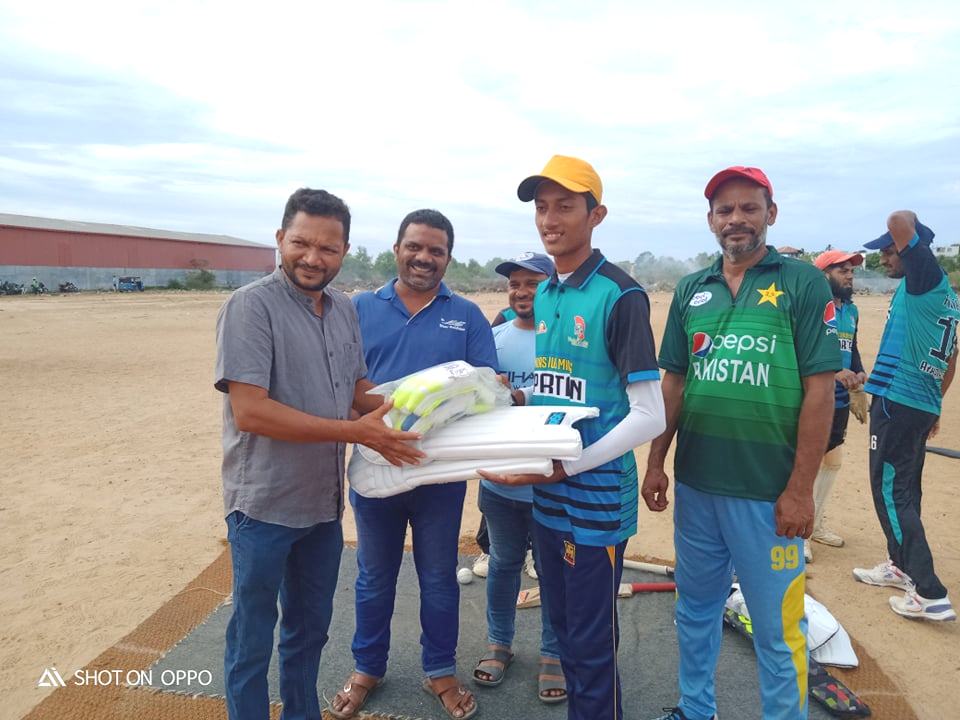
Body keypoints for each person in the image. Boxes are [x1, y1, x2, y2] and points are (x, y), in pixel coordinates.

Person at [214, 188, 423, 720]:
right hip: (264, 506)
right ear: (280, 238)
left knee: (309, 634)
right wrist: (357, 433)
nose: (313, 257)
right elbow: (251, 412)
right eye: (301, 243)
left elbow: (357, 390)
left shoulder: (343, 309)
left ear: (344, 251)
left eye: (328, 248)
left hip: (322, 507)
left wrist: (429, 406)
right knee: (252, 639)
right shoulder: (250, 307)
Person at [642, 166, 840, 720]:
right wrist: (656, 462)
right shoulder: (691, 289)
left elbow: (820, 391)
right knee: (695, 611)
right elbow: (674, 383)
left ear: (770, 214)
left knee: (778, 628)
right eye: (725, 210)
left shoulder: (803, 283)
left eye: (749, 208)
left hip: (768, 493)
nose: (736, 219)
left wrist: (800, 490)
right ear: (710, 220)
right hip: (698, 485)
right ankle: (694, 709)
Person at [479, 155, 666, 720]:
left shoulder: (621, 295)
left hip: (596, 500)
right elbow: (557, 388)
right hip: (549, 491)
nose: (549, 219)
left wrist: (568, 465)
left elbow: (650, 415)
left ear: (596, 215)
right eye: (542, 207)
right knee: (561, 629)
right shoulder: (548, 293)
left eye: (565, 206)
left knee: (588, 642)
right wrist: (514, 406)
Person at [330, 209, 497, 720]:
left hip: (439, 474)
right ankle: (367, 667)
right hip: (375, 464)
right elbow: (341, 381)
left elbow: (484, 388)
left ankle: (440, 670)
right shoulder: (358, 308)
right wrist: (376, 431)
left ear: (449, 257)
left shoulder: (466, 315)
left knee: (439, 577)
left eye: (436, 250)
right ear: (397, 248)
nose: (424, 258)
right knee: (373, 575)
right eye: (415, 247)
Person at [853, 212, 959, 622]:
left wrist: (909, 230)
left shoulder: (924, 276)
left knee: (891, 491)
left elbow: (899, 219)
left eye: (889, 249)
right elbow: (951, 357)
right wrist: (935, 404)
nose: (883, 257)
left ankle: (929, 591)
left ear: (913, 251)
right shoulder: (941, 292)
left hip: (898, 400)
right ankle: (899, 565)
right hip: (917, 402)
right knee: (906, 489)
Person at [472, 251, 566, 704]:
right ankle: (499, 644)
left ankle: (553, 652)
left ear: (553, 287)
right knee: (504, 564)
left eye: (534, 283)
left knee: (552, 571)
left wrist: (525, 395)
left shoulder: (567, 339)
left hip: (552, 480)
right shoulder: (493, 339)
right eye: (515, 284)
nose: (523, 292)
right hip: (499, 482)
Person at [806, 250, 869, 562]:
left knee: (832, 462)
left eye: (851, 270)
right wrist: (832, 371)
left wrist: (859, 373)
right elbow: (802, 349)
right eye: (842, 270)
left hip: (841, 397)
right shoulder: (813, 307)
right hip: (813, 395)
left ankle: (815, 524)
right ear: (824, 275)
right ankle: (800, 532)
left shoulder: (851, 310)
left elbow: (851, 347)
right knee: (808, 462)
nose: (849, 275)